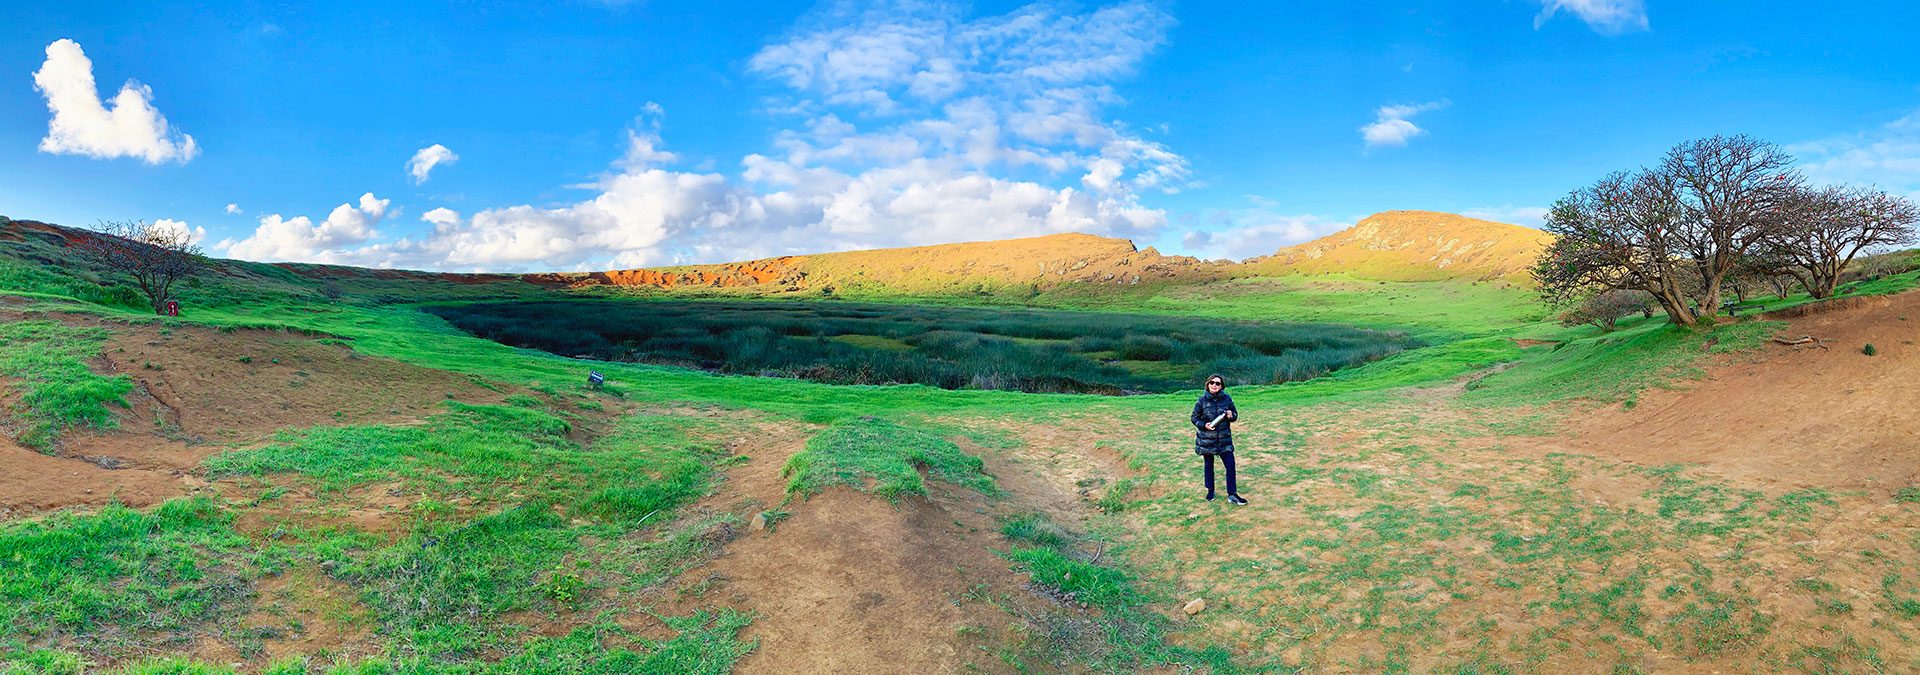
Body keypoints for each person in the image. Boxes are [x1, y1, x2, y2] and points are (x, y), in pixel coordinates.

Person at [1190, 374, 1246, 505]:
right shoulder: (1201, 400)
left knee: (1230, 465)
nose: (1215, 385)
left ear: (1222, 386)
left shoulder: (1227, 399)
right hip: (1206, 440)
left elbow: (1235, 415)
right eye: (1212, 383)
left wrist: (1232, 415)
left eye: (1218, 383)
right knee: (1209, 466)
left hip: (1224, 440)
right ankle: (1210, 490)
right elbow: (1194, 417)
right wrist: (1204, 425)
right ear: (1208, 384)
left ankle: (1232, 494)